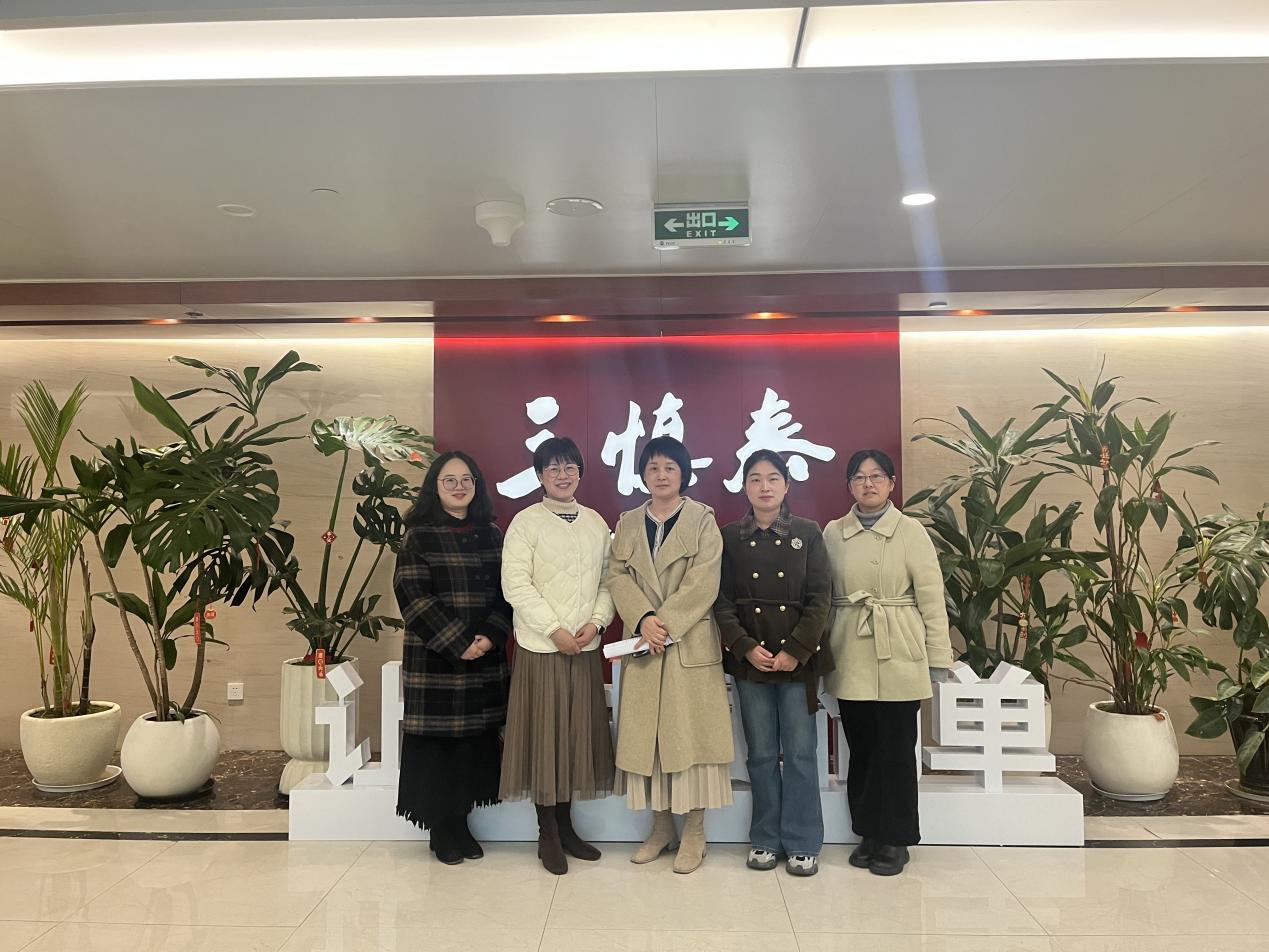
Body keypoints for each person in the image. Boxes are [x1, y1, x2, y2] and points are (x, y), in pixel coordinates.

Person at [607, 435, 734, 875]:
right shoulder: (627, 522)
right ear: (643, 473)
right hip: (645, 645)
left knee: (692, 739)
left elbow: (704, 581)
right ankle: (660, 828)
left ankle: (695, 832)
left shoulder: (702, 519)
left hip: (687, 644)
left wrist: (664, 623)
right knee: (650, 742)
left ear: (684, 473)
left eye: (670, 467)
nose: (661, 475)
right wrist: (643, 618)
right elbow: (616, 576)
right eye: (653, 467)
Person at [822, 449, 952, 877]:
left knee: (896, 750)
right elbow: (822, 595)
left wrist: (937, 657)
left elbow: (931, 597)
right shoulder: (833, 532)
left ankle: (896, 838)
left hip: (899, 648)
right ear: (849, 486)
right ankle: (868, 832)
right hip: (851, 649)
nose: (868, 484)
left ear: (892, 483)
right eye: (859, 477)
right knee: (861, 749)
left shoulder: (911, 532)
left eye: (877, 476)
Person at [499, 436, 617, 875]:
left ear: (580, 473)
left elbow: (609, 581)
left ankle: (567, 828)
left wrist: (597, 623)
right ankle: (546, 831)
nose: (562, 475)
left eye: (569, 467)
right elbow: (516, 585)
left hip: (584, 648)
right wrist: (554, 629)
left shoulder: (595, 522)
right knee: (544, 739)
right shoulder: (525, 523)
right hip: (541, 648)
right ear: (540, 476)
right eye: (553, 468)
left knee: (574, 738)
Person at [714, 449, 833, 877]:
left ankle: (803, 841)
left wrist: (795, 650)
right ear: (744, 487)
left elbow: (821, 598)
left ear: (786, 485)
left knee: (800, 752)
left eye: (772, 478)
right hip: (751, 662)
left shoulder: (808, 532)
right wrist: (744, 646)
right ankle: (764, 837)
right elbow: (721, 601)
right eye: (755, 479)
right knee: (761, 753)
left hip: (798, 660)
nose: (764, 487)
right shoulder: (729, 536)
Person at [394, 450, 512, 866]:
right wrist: (459, 641)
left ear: (476, 486)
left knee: (472, 747)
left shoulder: (492, 534)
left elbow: (508, 592)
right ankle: (440, 828)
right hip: (437, 660)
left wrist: (490, 636)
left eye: (467, 479)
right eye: (450, 480)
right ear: (435, 487)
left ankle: (461, 823)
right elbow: (413, 596)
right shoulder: (419, 536)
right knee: (438, 750)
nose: (459, 487)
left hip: (484, 658)